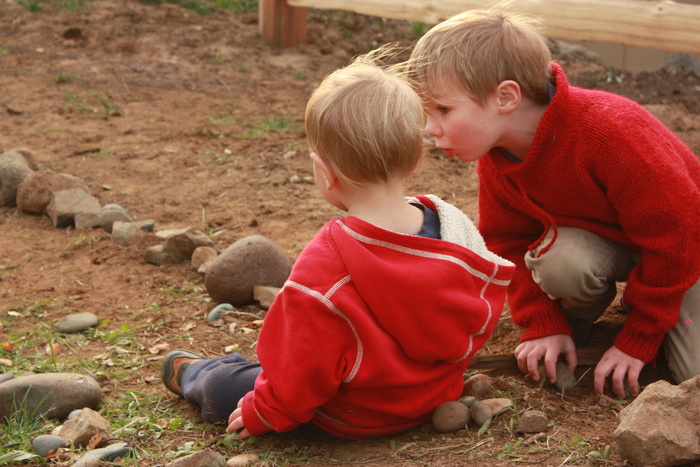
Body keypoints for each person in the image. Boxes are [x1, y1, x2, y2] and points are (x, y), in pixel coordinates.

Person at [160, 53, 515, 440]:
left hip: (350, 415)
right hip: (430, 398)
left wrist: (268, 411)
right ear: (414, 159)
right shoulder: (453, 229)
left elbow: (304, 365)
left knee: (227, 387)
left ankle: (193, 372)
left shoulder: (327, 264)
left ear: (324, 173)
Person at [406, 5, 700, 400]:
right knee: (560, 261)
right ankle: (573, 324)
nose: (429, 127)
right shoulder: (498, 156)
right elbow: (506, 242)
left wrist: (639, 339)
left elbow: (679, 236)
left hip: (689, 251)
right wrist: (543, 322)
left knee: (692, 374)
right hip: (627, 245)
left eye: (442, 109)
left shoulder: (611, 133)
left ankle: (655, 313)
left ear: (506, 97)